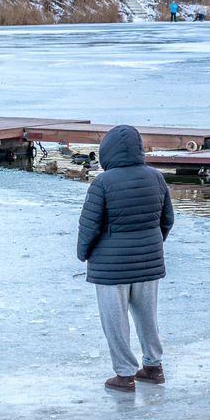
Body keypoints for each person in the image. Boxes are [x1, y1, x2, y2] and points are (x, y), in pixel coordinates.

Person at [77, 125, 175, 392]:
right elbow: (167, 219)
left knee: (115, 320)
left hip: (111, 267)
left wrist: (82, 252)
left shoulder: (103, 182)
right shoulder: (156, 177)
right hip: (148, 262)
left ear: (107, 151)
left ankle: (124, 374)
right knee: (147, 317)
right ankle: (153, 367)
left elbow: (89, 225)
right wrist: (153, 245)